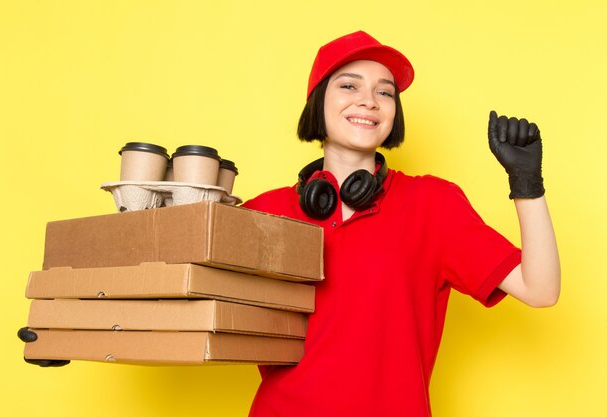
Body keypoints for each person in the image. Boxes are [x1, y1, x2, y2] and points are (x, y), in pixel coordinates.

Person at [240, 31, 560, 417]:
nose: (369, 101)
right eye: (348, 85)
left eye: (385, 92)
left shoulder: (432, 205)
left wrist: (527, 184)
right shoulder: (263, 213)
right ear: (317, 101)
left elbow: (540, 289)